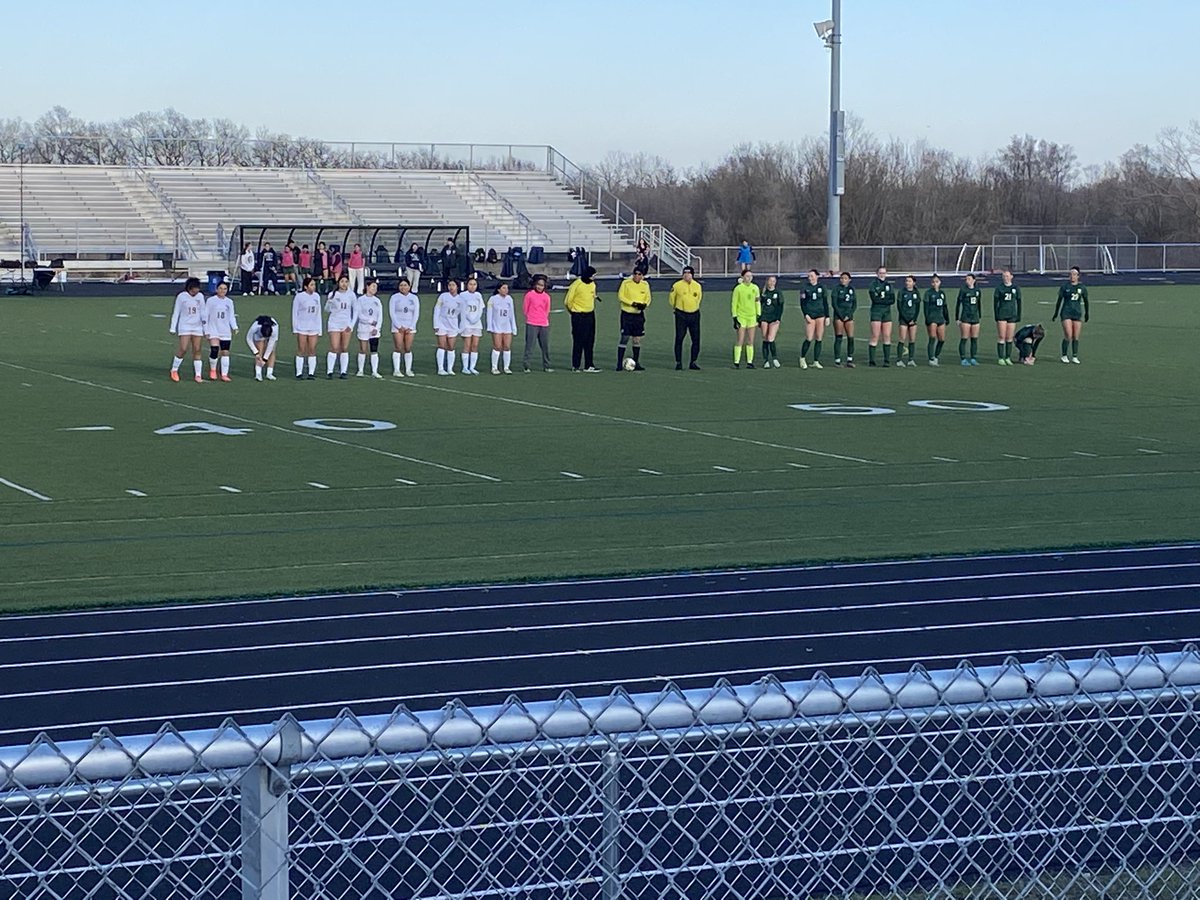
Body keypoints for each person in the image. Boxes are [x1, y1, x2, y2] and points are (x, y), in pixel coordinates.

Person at [168, 277, 207, 382]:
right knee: (183, 349)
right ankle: (174, 370)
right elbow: (176, 312)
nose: (197, 290)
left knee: (197, 349)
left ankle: (198, 374)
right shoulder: (182, 297)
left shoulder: (200, 296)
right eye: (195, 288)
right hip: (185, 326)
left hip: (197, 326)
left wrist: (205, 328)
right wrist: (173, 327)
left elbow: (203, 312)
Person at [566, 266, 600, 372]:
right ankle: (575, 365)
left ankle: (589, 365)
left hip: (590, 315)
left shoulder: (592, 285)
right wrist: (573, 311)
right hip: (578, 315)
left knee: (590, 340)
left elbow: (592, 296)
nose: (594, 278)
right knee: (578, 341)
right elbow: (568, 301)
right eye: (593, 276)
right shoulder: (577, 284)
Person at [1052, 266, 1089, 364]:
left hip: (1077, 313)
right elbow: (1059, 301)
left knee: (1076, 336)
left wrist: (1087, 313)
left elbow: (1086, 301)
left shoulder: (1082, 288)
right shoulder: (1065, 287)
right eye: (1070, 274)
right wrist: (1056, 313)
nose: (1072, 276)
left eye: (1074, 274)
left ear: (1078, 276)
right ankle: (1064, 355)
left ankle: (1075, 356)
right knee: (1068, 334)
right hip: (1066, 313)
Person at [203, 279, 238, 382]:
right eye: (221, 288)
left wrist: (234, 327)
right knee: (214, 350)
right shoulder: (211, 301)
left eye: (225, 289)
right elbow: (206, 315)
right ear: (217, 289)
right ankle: (213, 370)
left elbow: (231, 316)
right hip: (213, 329)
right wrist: (206, 330)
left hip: (225, 330)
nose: (223, 291)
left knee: (225, 352)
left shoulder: (229, 302)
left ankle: (224, 374)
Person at [617, 270, 652, 370]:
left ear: (642, 276)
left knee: (637, 339)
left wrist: (644, 305)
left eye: (639, 274)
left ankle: (636, 363)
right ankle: (619, 364)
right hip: (627, 315)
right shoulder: (626, 283)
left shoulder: (645, 285)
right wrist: (632, 303)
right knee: (625, 337)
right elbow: (621, 296)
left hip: (638, 316)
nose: (637, 276)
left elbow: (648, 298)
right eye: (635, 274)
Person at [669, 266, 702, 370]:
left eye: (689, 273)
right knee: (679, 338)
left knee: (696, 339)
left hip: (694, 314)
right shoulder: (677, 285)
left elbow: (698, 298)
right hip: (681, 314)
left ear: (692, 274)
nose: (687, 275)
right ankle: (678, 362)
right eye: (685, 273)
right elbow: (671, 299)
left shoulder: (697, 286)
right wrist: (677, 308)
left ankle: (693, 361)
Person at [352, 278, 384, 378]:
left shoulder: (377, 301)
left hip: (374, 330)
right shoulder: (360, 300)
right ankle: (360, 370)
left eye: (376, 287)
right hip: (363, 328)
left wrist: (377, 328)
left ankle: (374, 371)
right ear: (367, 287)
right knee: (363, 349)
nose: (375, 289)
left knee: (374, 349)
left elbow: (380, 316)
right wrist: (369, 321)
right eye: (373, 286)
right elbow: (359, 314)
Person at [325, 273, 355, 379]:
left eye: (346, 282)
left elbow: (355, 310)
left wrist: (351, 325)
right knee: (334, 347)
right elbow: (327, 310)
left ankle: (343, 371)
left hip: (346, 323)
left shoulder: (351, 295)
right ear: (338, 283)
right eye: (342, 282)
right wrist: (329, 302)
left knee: (344, 348)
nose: (344, 284)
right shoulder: (333, 294)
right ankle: (330, 371)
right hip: (334, 323)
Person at [798, 269, 830, 370]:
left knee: (819, 338)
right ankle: (802, 358)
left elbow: (825, 302)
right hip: (810, 315)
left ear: (817, 276)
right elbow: (802, 303)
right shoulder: (804, 288)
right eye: (809, 276)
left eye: (812, 276)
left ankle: (816, 361)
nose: (810, 278)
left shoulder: (822, 287)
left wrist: (827, 316)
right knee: (809, 338)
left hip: (820, 314)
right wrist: (805, 314)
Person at [292, 276, 323, 379]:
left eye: (314, 285)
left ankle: (311, 373)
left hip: (313, 327)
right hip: (302, 327)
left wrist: (319, 329)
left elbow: (319, 313)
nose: (314, 287)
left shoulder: (316, 296)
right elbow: (295, 313)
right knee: (301, 349)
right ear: (306, 287)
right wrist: (295, 328)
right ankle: (299, 373)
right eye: (311, 285)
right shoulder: (299, 297)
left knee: (312, 349)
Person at [388, 277, 419, 377]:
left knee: (408, 348)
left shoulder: (414, 298)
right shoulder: (394, 297)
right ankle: (396, 370)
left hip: (410, 326)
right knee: (398, 347)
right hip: (398, 326)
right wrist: (398, 326)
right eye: (401, 285)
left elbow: (416, 313)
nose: (403, 287)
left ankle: (408, 369)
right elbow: (392, 313)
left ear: (409, 286)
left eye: (405, 285)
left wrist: (411, 326)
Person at [522, 274, 553, 373]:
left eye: (542, 285)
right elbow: (525, 309)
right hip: (532, 323)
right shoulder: (529, 295)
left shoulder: (546, 297)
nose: (540, 287)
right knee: (530, 346)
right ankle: (526, 365)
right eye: (538, 285)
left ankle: (546, 365)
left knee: (545, 346)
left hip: (543, 324)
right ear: (535, 284)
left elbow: (547, 309)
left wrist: (543, 318)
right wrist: (531, 317)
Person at [730, 269, 760, 369]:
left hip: (752, 317)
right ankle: (736, 362)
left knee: (751, 340)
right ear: (743, 277)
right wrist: (735, 317)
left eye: (750, 276)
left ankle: (750, 362)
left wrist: (758, 314)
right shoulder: (738, 289)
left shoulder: (755, 288)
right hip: (741, 316)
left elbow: (757, 301)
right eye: (747, 276)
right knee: (740, 339)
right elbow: (734, 303)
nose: (749, 278)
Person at [867, 265, 895, 367]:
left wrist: (882, 300)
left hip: (886, 313)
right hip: (876, 312)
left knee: (887, 335)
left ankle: (886, 361)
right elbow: (874, 299)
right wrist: (884, 301)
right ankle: (872, 360)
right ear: (877, 274)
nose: (882, 275)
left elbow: (892, 300)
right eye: (880, 273)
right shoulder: (873, 284)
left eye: (884, 273)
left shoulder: (889, 285)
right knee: (875, 336)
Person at [993, 267, 1022, 366]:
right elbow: (995, 303)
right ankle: (1001, 358)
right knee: (1002, 336)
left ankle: (1008, 357)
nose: (1005, 278)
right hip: (1002, 314)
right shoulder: (999, 288)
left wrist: (1018, 315)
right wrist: (996, 315)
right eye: (1004, 276)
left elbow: (1019, 302)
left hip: (1012, 315)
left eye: (1007, 276)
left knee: (1009, 337)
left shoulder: (1015, 288)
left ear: (1011, 277)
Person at [487, 281, 518, 374]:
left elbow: (512, 314)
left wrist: (513, 327)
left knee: (507, 346)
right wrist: (489, 326)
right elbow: (489, 314)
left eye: (507, 288)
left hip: (507, 326)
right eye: (504, 288)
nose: (506, 290)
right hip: (497, 326)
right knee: (497, 346)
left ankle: (506, 367)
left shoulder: (509, 299)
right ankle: (494, 367)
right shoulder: (492, 299)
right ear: (498, 289)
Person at [433, 278, 461, 375]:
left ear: (457, 286)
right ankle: (441, 368)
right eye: (450, 285)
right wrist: (435, 323)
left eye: (453, 285)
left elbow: (463, 314)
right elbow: (437, 309)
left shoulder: (460, 299)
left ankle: (450, 368)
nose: (451, 287)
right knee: (442, 345)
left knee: (451, 347)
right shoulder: (443, 296)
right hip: (442, 323)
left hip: (453, 325)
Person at [756, 274, 784, 369]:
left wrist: (778, 318)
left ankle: (775, 359)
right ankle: (766, 360)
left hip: (774, 318)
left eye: (773, 281)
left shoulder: (778, 293)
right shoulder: (763, 293)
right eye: (770, 281)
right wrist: (759, 319)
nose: (772, 283)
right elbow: (758, 305)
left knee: (771, 338)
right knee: (765, 338)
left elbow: (781, 306)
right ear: (767, 281)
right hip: (764, 317)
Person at [459, 276, 485, 375]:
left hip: (477, 324)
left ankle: (472, 367)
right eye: (470, 284)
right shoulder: (463, 295)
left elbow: (480, 308)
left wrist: (476, 319)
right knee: (467, 345)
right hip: (466, 323)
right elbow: (463, 309)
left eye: (474, 284)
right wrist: (469, 318)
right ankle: (465, 367)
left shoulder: (478, 295)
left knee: (475, 345)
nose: (472, 286)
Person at [955, 273, 983, 366]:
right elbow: (958, 304)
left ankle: (973, 358)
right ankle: (963, 358)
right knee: (964, 338)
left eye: (969, 279)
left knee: (974, 339)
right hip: (965, 317)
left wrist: (979, 316)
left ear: (974, 280)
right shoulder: (963, 290)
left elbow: (979, 304)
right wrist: (957, 318)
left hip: (975, 317)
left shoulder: (977, 290)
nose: (967, 281)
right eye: (966, 279)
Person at [923, 274, 949, 366]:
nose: (935, 284)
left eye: (937, 282)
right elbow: (925, 307)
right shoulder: (928, 293)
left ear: (940, 282)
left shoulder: (942, 293)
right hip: (932, 318)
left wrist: (947, 318)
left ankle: (936, 356)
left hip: (940, 318)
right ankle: (931, 358)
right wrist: (927, 318)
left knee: (942, 339)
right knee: (932, 338)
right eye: (933, 282)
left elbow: (945, 307)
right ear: (931, 283)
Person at [831, 271, 857, 367]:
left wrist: (849, 314)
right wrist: (841, 315)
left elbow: (854, 304)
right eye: (842, 278)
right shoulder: (836, 289)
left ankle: (849, 359)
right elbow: (834, 304)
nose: (843, 280)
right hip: (839, 315)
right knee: (839, 337)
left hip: (849, 316)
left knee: (850, 337)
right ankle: (837, 360)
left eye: (845, 278)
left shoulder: (851, 289)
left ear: (849, 280)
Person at [895, 275, 921, 367]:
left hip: (913, 320)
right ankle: (899, 360)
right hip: (904, 319)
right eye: (906, 281)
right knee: (902, 339)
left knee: (912, 339)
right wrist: (906, 319)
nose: (907, 283)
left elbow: (917, 307)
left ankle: (911, 359)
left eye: (909, 281)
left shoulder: (916, 293)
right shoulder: (902, 292)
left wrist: (914, 319)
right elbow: (899, 307)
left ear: (914, 283)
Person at [246, 314, 279, 381]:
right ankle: (258, 373)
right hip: (259, 335)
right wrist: (256, 353)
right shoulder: (255, 327)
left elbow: (270, 345)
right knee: (260, 349)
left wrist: (265, 359)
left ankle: (269, 373)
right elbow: (248, 339)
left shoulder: (275, 328)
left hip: (271, 334)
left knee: (272, 351)